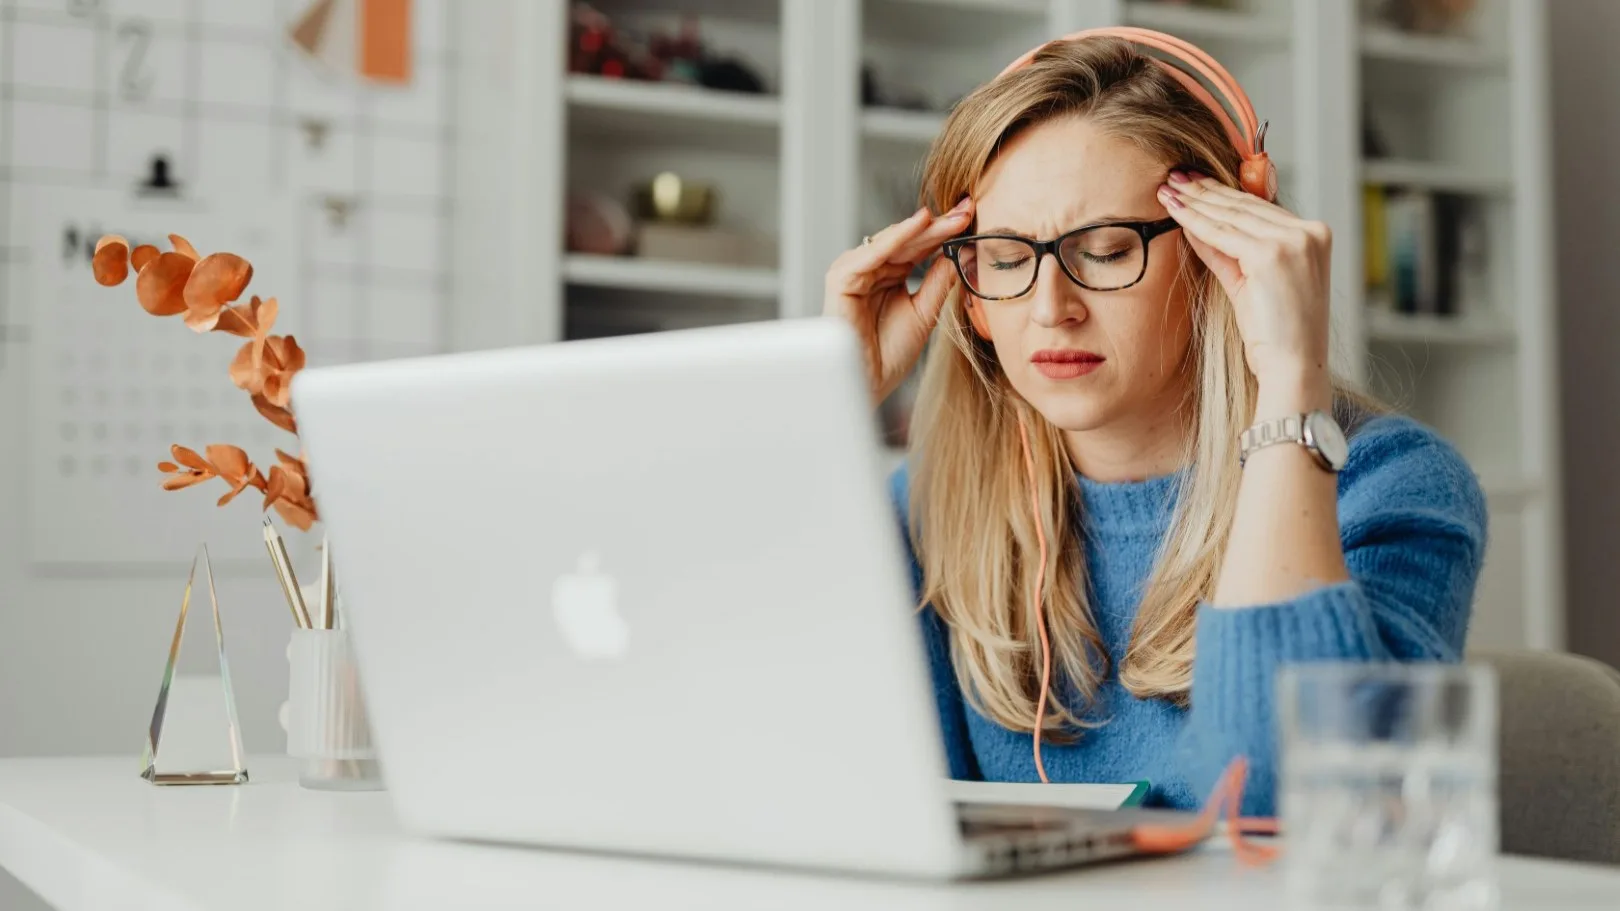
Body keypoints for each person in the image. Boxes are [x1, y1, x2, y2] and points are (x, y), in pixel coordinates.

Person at [822, 31, 1487, 817]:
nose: (1050, 307)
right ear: (969, 294)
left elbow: (1281, 805)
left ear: (1221, 255)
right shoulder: (928, 508)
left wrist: (1288, 388)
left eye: (1106, 251)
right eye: (1005, 259)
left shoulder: (1392, 487)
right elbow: (835, 788)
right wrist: (828, 410)